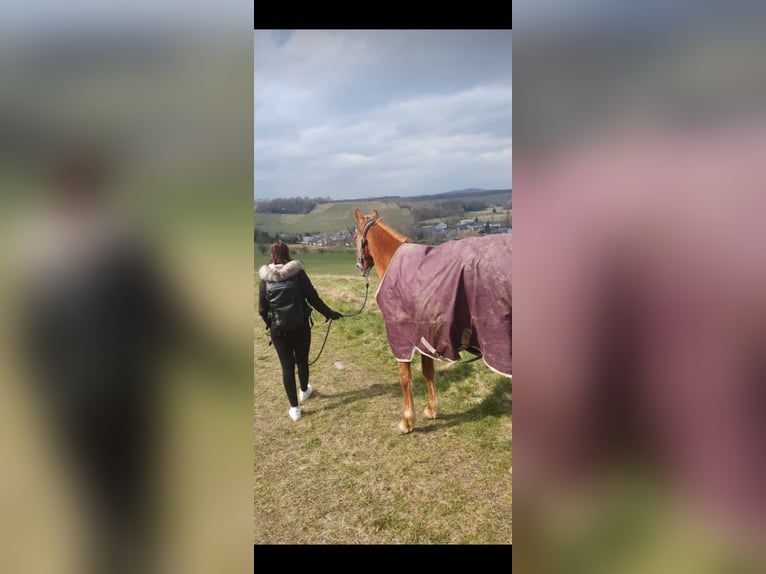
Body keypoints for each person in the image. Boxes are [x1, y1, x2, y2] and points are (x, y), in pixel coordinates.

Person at [258, 241, 342, 421]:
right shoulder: (298, 274)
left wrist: (271, 323)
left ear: (272, 255)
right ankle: (304, 390)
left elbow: (261, 309)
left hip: (278, 330)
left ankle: (294, 409)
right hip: (300, 326)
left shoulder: (265, 279)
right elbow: (313, 298)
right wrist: (330, 314)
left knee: (286, 367)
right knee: (302, 360)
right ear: (288, 253)